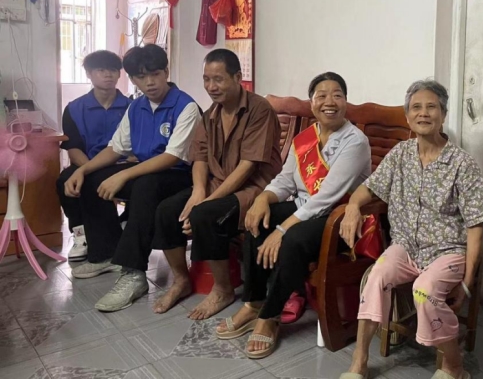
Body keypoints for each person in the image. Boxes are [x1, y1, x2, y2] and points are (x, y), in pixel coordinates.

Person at [339, 79, 483, 379]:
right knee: (375, 277)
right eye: (416, 107)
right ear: (408, 116)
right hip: (406, 246)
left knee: (424, 291)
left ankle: (454, 366)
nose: (423, 113)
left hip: (448, 251)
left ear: (443, 114)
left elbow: (477, 225)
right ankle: (359, 361)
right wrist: (352, 207)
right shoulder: (400, 154)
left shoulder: (462, 164)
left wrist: (467, 284)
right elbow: (368, 188)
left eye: (431, 107)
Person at [214, 72, 371, 359]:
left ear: (346, 101)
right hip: (304, 208)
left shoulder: (355, 142)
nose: (329, 102)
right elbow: (286, 180)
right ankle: (253, 303)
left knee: (293, 239)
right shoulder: (305, 138)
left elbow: (327, 197)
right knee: (257, 221)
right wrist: (263, 198)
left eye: (337, 95)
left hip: (336, 218)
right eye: (321, 96)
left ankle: (270, 316)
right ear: (312, 103)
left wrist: (282, 229)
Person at [65, 44, 201, 312]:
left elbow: (173, 156)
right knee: (93, 179)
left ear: (166, 72)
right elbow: (116, 148)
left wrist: (124, 174)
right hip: (146, 172)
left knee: (145, 185)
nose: (149, 82)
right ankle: (106, 254)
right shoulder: (136, 107)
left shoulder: (185, 106)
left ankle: (134, 273)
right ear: (132, 79)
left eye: (155, 74)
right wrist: (83, 170)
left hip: (179, 176)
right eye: (141, 77)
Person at [151, 49, 282, 319]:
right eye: (206, 79)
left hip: (253, 189)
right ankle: (181, 280)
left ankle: (223, 290)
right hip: (218, 184)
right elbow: (199, 157)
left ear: (238, 77)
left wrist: (206, 202)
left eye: (218, 79)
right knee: (166, 210)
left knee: (205, 215)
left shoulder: (259, 110)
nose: (211, 87)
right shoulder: (211, 113)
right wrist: (198, 192)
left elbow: (248, 167)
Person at [57, 50, 130, 262]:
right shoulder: (74, 109)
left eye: (113, 70)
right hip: (86, 162)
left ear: (119, 74)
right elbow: (73, 149)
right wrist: (90, 169)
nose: (108, 75)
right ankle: (80, 235)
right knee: (65, 180)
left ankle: (125, 226)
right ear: (89, 74)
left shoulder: (131, 107)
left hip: (122, 163)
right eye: (101, 70)